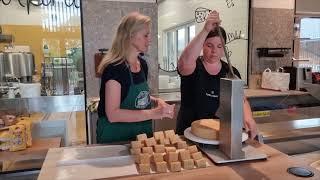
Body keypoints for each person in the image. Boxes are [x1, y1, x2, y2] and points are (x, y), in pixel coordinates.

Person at [176, 11, 257, 139]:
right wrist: (205, 30)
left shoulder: (231, 71)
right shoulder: (194, 66)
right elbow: (184, 64)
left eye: (219, 46)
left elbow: (240, 98)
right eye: (209, 45)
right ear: (202, 45)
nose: (214, 51)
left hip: (220, 136)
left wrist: (248, 117)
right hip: (188, 133)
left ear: (224, 48)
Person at [96, 12, 175, 143]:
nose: (149, 39)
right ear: (130, 36)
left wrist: (156, 101)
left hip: (141, 137)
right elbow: (113, 114)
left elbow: (136, 97)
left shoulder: (142, 64)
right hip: (116, 139)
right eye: (145, 35)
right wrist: (155, 113)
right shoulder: (115, 69)